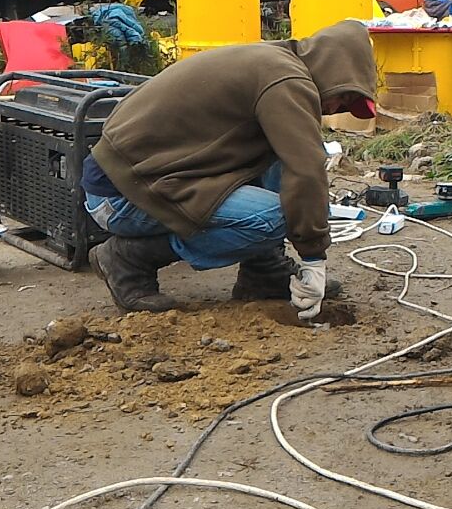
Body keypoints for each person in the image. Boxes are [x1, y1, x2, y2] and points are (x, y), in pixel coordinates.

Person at [82, 19, 378, 321]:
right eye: (344, 98)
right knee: (275, 218)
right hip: (120, 195)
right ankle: (127, 259)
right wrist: (314, 257)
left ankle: (263, 270)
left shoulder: (274, 62)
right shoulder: (286, 81)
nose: (334, 109)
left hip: (142, 175)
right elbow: (308, 169)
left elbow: (296, 160)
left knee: (280, 153)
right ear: (333, 69)